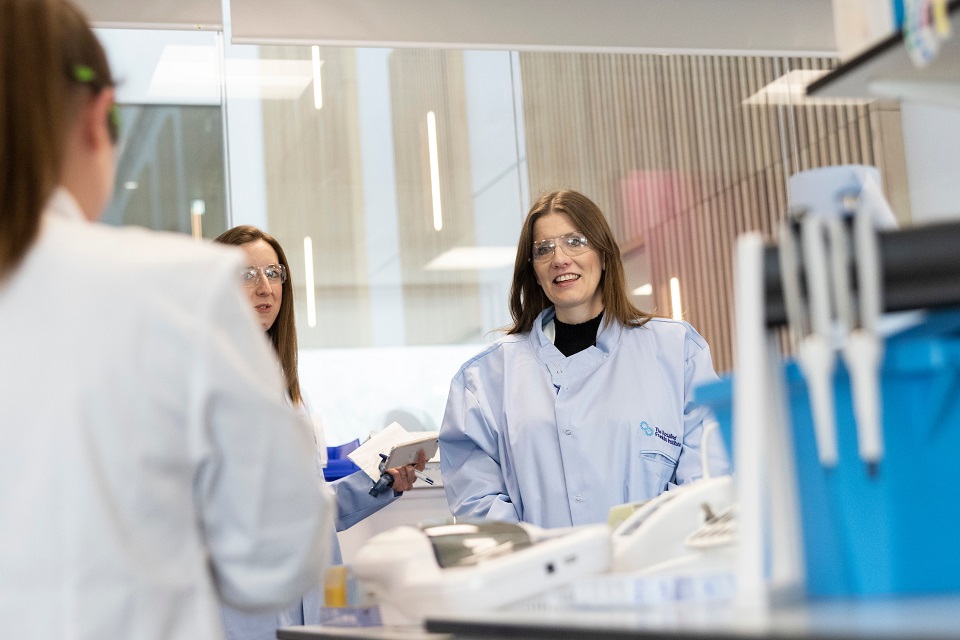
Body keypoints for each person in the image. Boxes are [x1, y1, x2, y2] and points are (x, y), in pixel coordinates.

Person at [0, 2, 329, 639]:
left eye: (273, 275)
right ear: (100, 119)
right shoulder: (178, 290)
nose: (262, 287)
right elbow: (277, 559)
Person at [439, 189, 730, 529]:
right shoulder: (485, 378)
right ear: (533, 271)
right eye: (543, 249)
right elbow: (477, 500)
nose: (559, 258)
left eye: (575, 241)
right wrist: (538, 557)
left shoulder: (676, 350)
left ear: (604, 256)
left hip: (653, 572)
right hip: (542, 575)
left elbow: (707, 473)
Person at [214, 225, 426, 639]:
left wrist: (379, 482)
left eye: (274, 273)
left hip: (309, 595)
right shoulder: (205, 386)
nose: (265, 288)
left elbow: (307, 508)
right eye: (247, 274)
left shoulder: (293, 393)